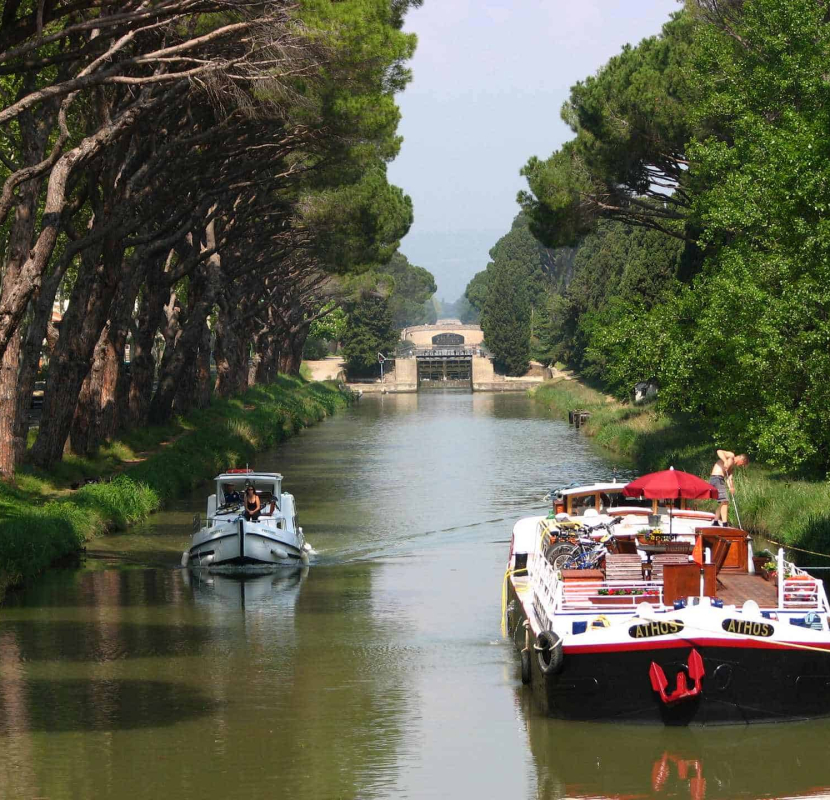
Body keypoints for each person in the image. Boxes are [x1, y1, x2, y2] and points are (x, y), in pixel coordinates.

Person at [709, 449, 748, 524]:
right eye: (742, 464)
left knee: (723, 502)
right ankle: (725, 524)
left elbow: (729, 479)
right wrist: (725, 461)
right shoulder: (731, 456)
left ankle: (716, 521)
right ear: (741, 460)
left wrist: (731, 487)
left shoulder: (732, 468)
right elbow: (719, 451)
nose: (740, 466)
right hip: (716, 478)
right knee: (725, 501)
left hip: (720, 479)